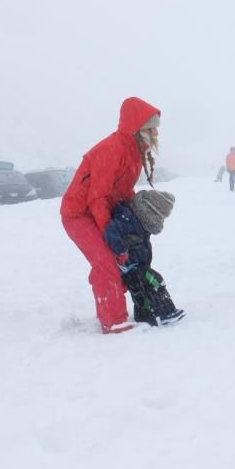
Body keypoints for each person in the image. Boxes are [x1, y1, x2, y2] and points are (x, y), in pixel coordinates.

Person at [61, 97, 162, 334]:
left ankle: (134, 304)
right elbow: (98, 196)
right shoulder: (111, 149)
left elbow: (123, 190)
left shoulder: (135, 150)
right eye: (151, 127)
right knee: (107, 261)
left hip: (102, 210)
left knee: (127, 257)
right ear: (138, 126)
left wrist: (136, 215)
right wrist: (111, 232)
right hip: (78, 214)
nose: (155, 133)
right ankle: (114, 320)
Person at [103, 189, 184, 326]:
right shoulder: (128, 218)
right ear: (150, 210)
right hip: (129, 264)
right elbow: (111, 231)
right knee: (154, 281)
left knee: (140, 291)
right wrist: (121, 251)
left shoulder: (142, 221)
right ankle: (165, 312)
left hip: (138, 263)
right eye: (159, 216)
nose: (159, 220)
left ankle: (143, 316)